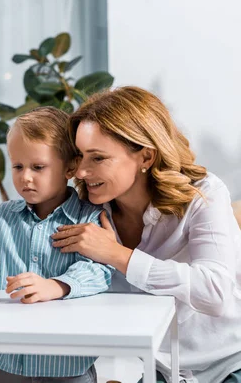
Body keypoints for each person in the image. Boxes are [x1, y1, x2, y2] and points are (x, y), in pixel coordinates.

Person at [52, 86, 241, 383]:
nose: (81, 172)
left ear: (146, 157)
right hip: (162, 371)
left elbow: (215, 293)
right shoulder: (85, 214)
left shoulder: (203, 194)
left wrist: (118, 255)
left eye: (98, 158)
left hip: (228, 365)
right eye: (79, 156)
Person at [0, 108, 113, 383]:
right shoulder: (3, 216)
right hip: (5, 362)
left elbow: (99, 269)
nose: (25, 177)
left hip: (65, 367)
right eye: (18, 166)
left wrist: (56, 285)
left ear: (69, 168)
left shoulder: (89, 217)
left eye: (38, 167)